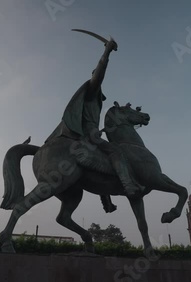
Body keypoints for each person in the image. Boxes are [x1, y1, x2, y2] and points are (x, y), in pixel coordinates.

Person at [46, 38, 143, 209]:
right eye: (97, 78)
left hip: (90, 134)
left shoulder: (95, 100)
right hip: (87, 134)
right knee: (115, 150)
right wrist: (107, 52)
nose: (99, 82)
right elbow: (100, 72)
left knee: (102, 161)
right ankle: (128, 185)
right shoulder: (92, 92)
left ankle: (106, 201)